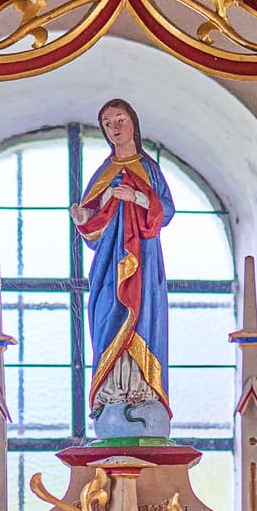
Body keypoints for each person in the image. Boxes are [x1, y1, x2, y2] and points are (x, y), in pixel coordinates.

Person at [73, 98, 175, 439]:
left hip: (143, 262)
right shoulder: (103, 173)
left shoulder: (149, 169)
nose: (115, 127)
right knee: (106, 318)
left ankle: (141, 390)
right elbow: (94, 221)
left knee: (143, 319)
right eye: (107, 123)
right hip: (107, 265)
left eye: (120, 119)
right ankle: (111, 392)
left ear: (133, 122)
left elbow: (166, 212)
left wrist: (136, 198)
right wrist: (83, 217)